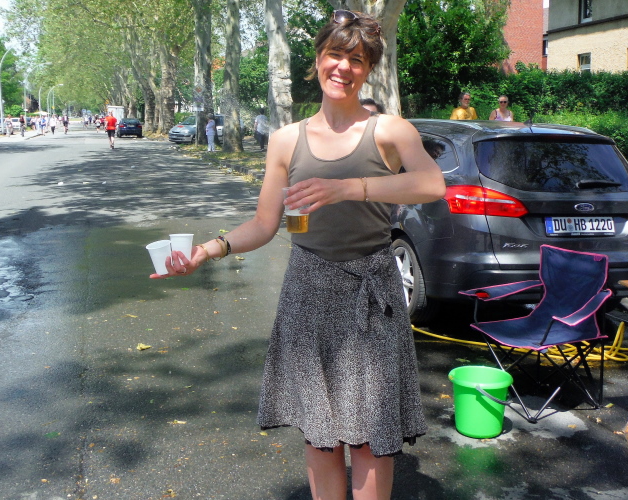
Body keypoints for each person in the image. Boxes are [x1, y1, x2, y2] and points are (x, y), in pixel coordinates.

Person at [150, 10, 445, 500]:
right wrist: (207, 250)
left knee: (371, 437)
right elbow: (265, 224)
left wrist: (348, 187)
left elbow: (433, 184)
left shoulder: (390, 131)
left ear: (368, 70)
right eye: (336, 54)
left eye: (357, 59)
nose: (344, 67)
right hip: (307, 292)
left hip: (372, 296)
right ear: (318, 58)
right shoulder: (286, 140)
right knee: (320, 436)